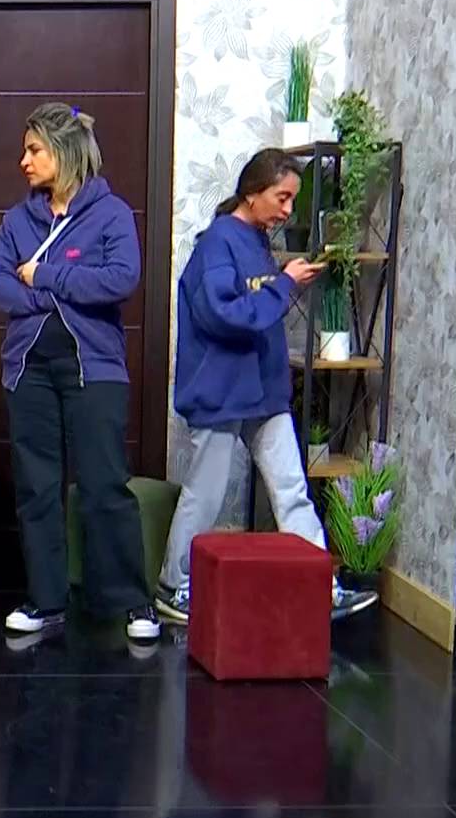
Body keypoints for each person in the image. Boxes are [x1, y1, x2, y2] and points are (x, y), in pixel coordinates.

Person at [156, 148, 379, 623]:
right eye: (282, 197)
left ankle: (321, 587)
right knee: (205, 494)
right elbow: (223, 314)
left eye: (293, 199)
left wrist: (283, 282)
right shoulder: (218, 243)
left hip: (263, 393)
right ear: (252, 192)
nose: (288, 210)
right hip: (221, 393)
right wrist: (284, 285)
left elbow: (256, 302)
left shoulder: (255, 239)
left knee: (291, 488)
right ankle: (174, 586)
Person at [0, 101, 158, 643]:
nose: (24, 161)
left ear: (64, 151)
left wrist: (45, 276)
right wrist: (55, 294)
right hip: (28, 370)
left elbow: (120, 279)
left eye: (34, 150)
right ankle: (46, 601)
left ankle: (132, 603)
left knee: (104, 483)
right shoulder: (17, 221)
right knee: (37, 487)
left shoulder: (111, 213)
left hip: (95, 368)